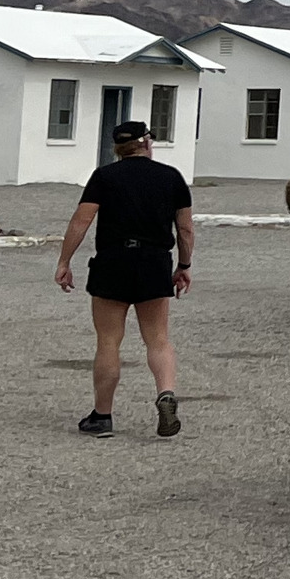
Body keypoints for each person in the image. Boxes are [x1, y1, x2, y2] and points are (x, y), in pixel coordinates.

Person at [55, 116, 192, 437]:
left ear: (118, 148)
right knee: (157, 339)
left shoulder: (104, 176)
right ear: (146, 143)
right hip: (154, 262)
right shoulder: (171, 177)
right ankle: (165, 394)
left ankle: (102, 417)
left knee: (108, 341)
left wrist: (64, 260)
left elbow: (81, 220)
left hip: (112, 261)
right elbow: (185, 228)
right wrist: (183, 265)